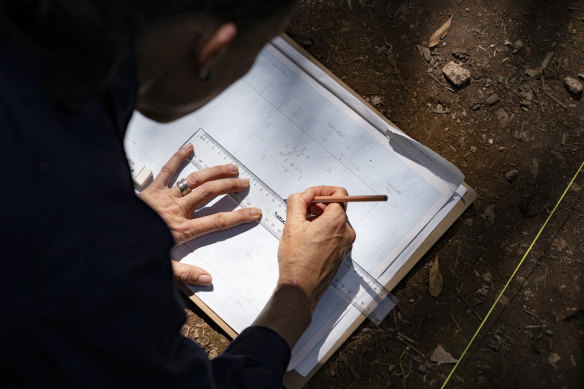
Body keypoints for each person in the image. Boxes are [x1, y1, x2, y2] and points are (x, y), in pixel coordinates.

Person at [1, 1, 356, 388]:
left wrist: (116, 223)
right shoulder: (97, 251)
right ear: (212, 51)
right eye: (259, 49)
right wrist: (299, 288)